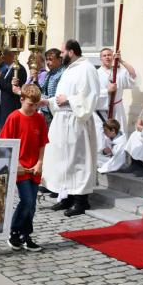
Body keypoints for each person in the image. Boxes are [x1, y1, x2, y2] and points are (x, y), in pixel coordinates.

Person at [44, 40, 101, 217]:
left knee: (78, 161)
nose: (60, 55)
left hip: (76, 121)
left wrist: (69, 100)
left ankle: (81, 201)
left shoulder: (87, 69)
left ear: (71, 52)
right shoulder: (70, 69)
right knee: (63, 161)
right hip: (62, 120)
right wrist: (47, 101)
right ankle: (66, 197)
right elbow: (61, 98)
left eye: (62, 52)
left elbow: (91, 97)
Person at [0, 84, 48, 252]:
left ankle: (25, 236)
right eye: (30, 104)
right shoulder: (14, 118)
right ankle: (14, 232)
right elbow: (5, 144)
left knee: (32, 204)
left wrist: (40, 162)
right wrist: (16, 164)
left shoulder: (39, 118)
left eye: (36, 105)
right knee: (27, 200)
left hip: (34, 166)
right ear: (21, 100)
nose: (33, 108)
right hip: (19, 166)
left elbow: (42, 143)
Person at [94, 48, 139, 146]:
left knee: (120, 132)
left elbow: (133, 75)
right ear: (100, 58)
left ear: (113, 57)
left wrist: (121, 61)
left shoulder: (119, 72)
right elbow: (92, 93)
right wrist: (107, 91)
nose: (107, 57)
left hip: (117, 108)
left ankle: (120, 157)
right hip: (102, 110)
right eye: (104, 55)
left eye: (109, 55)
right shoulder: (95, 74)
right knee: (103, 135)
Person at [0, 48, 28, 137]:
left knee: (7, 134)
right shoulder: (5, 69)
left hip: (10, 107)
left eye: (4, 54)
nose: (2, 57)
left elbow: (13, 89)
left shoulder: (19, 69)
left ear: (12, 55)